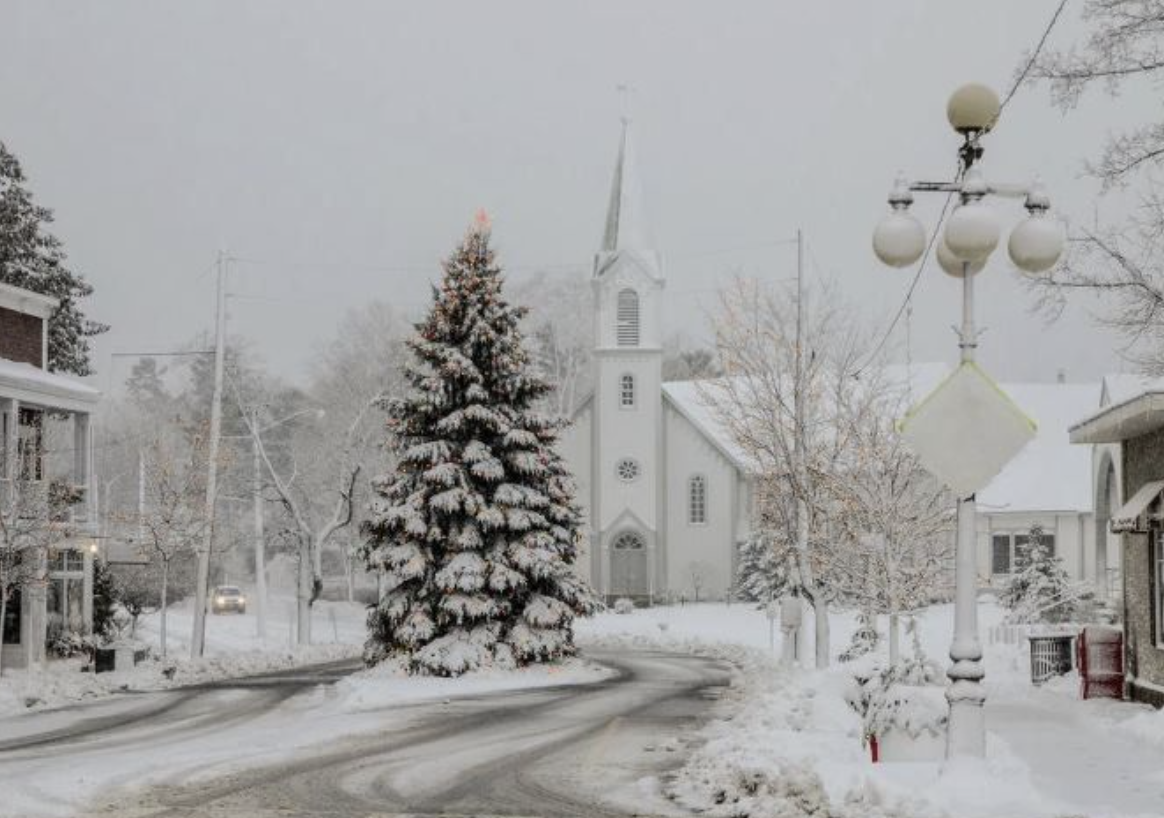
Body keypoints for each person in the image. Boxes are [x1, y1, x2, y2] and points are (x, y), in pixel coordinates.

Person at [779, 588, 803, 666]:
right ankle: (791, 659)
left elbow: (782, 613)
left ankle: (784, 659)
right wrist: (799, 623)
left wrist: (782, 624)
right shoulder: (798, 602)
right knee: (793, 643)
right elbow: (799, 614)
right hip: (795, 625)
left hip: (785, 624)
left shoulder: (785, 601)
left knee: (785, 643)